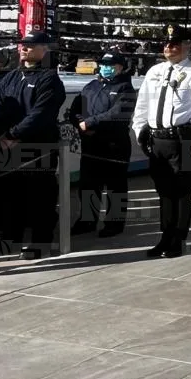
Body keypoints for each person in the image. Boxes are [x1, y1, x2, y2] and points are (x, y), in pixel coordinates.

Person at [131, 25, 191, 258]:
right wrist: (139, 130)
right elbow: (143, 104)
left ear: (186, 46)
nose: (169, 48)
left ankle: (178, 239)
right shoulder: (155, 71)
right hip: (157, 139)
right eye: (167, 44)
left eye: (175, 44)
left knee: (182, 191)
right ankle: (165, 236)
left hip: (183, 140)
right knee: (164, 192)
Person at [0, 29, 66, 258]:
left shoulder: (49, 79)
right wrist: (0, 134)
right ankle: (9, 237)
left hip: (36, 146)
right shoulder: (12, 76)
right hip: (7, 147)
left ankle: (41, 242)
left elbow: (41, 114)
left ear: (45, 50)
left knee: (39, 197)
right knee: (7, 196)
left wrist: (13, 134)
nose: (24, 48)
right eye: (22, 44)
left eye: (30, 45)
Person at [68, 50, 137, 238]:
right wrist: (81, 123)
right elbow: (75, 108)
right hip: (91, 143)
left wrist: (90, 123)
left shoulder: (125, 89)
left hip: (114, 144)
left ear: (120, 67)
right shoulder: (91, 86)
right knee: (89, 184)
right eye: (104, 64)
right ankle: (87, 220)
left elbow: (117, 114)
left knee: (115, 186)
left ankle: (114, 223)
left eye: (110, 65)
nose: (105, 68)